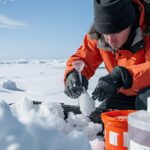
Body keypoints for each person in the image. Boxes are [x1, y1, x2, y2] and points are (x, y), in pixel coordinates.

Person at [64, 0, 150, 112]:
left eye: (117, 32)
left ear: (131, 23)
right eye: (106, 33)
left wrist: (123, 76)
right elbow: (83, 57)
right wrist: (73, 74)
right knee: (99, 119)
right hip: (124, 94)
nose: (110, 40)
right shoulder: (99, 36)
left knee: (145, 101)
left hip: (146, 93)